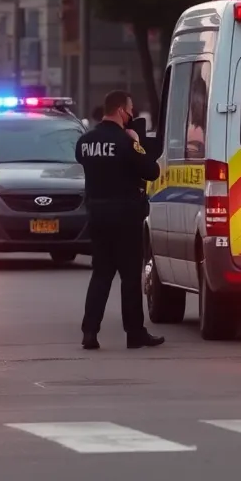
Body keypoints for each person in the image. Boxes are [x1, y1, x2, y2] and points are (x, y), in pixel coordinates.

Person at [75, 90, 165, 350]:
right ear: (121, 111)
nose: (133, 115)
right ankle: (134, 333)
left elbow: (85, 160)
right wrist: (137, 141)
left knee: (101, 274)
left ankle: (90, 332)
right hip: (125, 216)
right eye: (131, 110)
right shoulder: (126, 142)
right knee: (129, 277)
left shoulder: (85, 142)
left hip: (97, 215)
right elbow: (151, 170)